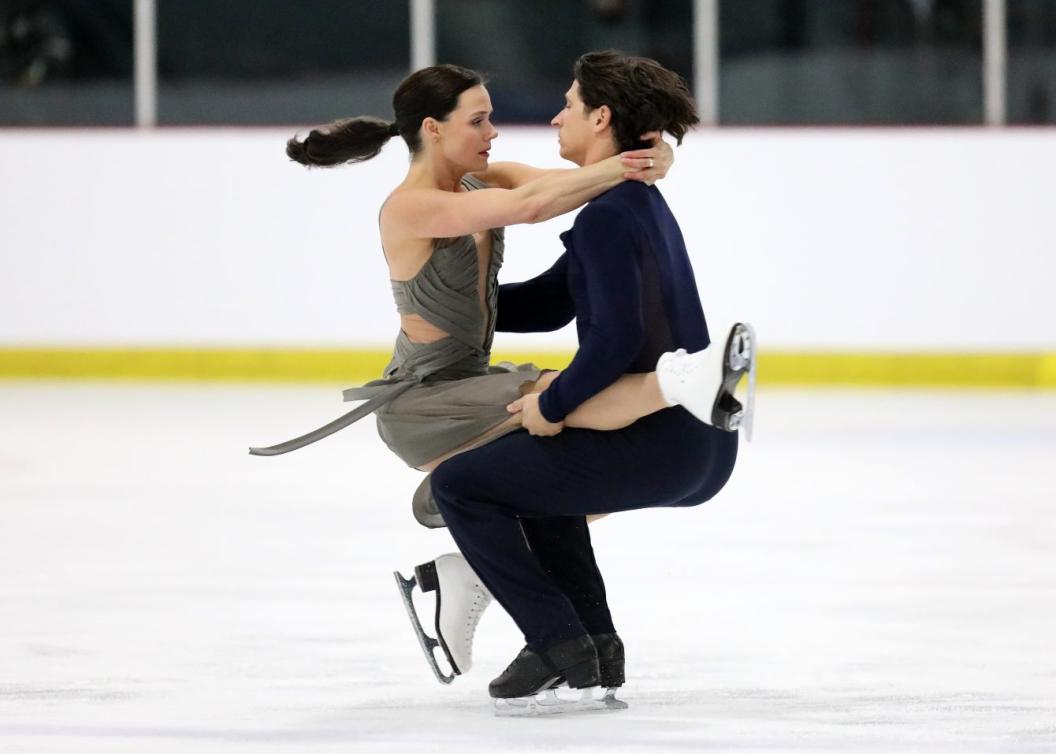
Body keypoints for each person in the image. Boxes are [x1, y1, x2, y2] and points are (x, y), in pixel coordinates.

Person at [246, 61, 755, 694]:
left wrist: (654, 153)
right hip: (429, 394)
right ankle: (680, 387)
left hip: (481, 382)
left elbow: (548, 269)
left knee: (509, 463)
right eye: (480, 119)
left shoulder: (522, 188)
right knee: (535, 416)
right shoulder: (413, 206)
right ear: (433, 129)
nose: (499, 131)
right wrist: (638, 159)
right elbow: (535, 203)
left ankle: (571, 639)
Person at [422, 50, 750, 715]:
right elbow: (550, 302)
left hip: (661, 443)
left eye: (568, 105)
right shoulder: (636, 202)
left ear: (601, 117)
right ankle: (593, 646)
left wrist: (554, 404)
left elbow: (617, 342)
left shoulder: (608, 214)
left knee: (459, 485)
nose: (555, 116)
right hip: (704, 449)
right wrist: (447, 313)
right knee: (535, 484)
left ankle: (555, 640)